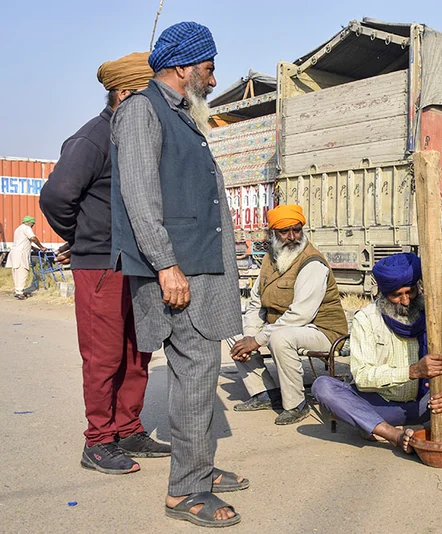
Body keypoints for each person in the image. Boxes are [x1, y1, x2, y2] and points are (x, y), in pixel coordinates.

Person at [111, 22, 245, 527]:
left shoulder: (179, 114)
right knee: (194, 377)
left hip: (197, 266)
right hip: (179, 268)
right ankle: (185, 491)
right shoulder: (141, 111)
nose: (213, 78)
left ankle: (199, 470)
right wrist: (167, 265)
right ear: (183, 67)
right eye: (208, 68)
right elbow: (141, 199)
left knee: (202, 372)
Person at [40, 51, 170, 476]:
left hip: (137, 263)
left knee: (138, 351)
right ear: (125, 94)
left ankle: (128, 428)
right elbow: (57, 196)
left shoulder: (132, 137)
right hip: (101, 266)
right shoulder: (94, 137)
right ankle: (97, 441)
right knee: (103, 356)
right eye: (147, 96)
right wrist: (81, 240)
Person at [312, 253, 442, 452]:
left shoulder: (434, 313)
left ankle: (438, 432)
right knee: (323, 386)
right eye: (397, 295)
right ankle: (395, 434)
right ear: (383, 294)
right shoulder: (366, 320)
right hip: (384, 405)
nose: (405, 301)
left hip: (429, 404)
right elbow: (362, 376)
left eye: (409, 292)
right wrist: (412, 372)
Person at [229, 204, 349, 425]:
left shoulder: (312, 262)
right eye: (285, 232)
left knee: (280, 337)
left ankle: (296, 405)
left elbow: (300, 315)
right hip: (283, 327)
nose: (292, 237)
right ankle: (265, 393)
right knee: (231, 332)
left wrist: (256, 341)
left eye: (297, 230)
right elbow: (256, 303)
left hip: (321, 331)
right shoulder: (269, 259)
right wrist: (250, 336)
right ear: (273, 234)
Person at [6, 216, 44, 299]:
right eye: (32, 224)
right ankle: (20, 292)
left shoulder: (18, 229)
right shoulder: (27, 228)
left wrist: (34, 248)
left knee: (16, 272)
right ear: (29, 222)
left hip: (15, 252)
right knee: (23, 271)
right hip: (21, 253)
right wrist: (41, 247)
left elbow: (23, 241)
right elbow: (33, 238)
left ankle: (18, 290)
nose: (32, 226)